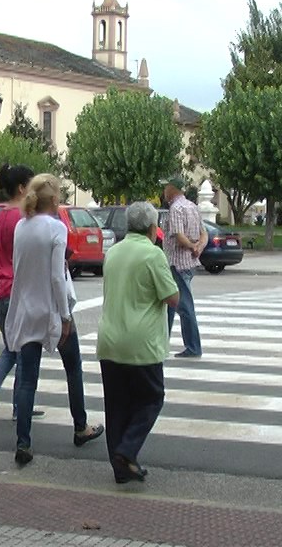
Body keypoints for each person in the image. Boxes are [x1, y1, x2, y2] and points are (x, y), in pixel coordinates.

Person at [5, 173, 103, 466]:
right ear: (55, 200)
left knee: (27, 381)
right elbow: (58, 278)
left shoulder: (21, 227)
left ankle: (23, 442)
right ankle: (80, 426)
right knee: (73, 368)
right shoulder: (56, 229)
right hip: (51, 311)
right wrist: (65, 316)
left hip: (26, 310)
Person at [97, 202, 179, 483]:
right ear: (152, 228)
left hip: (110, 339)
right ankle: (128, 450)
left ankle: (121, 467)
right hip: (141, 343)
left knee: (117, 405)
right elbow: (172, 297)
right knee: (151, 398)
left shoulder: (113, 252)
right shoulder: (153, 254)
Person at [0, 164, 45, 421]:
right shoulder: (21, 219)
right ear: (22, 188)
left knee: (13, 348)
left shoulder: (0, 217)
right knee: (22, 351)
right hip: (17, 291)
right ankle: (16, 405)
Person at [159, 175, 207, 358]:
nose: (164, 191)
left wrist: (190, 246)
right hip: (190, 263)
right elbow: (204, 234)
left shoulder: (176, 209)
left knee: (184, 306)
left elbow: (178, 236)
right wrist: (198, 247)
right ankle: (163, 341)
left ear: (173, 189)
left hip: (176, 263)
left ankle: (193, 347)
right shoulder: (193, 207)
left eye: (166, 188)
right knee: (170, 304)